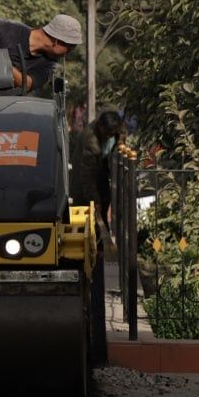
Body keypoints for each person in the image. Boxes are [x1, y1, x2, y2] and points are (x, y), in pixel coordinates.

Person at [71, 109, 125, 367]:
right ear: (103, 131)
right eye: (111, 135)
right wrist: (96, 207)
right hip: (84, 190)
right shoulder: (90, 142)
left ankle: (101, 249)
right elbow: (87, 178)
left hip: (101, 180)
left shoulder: (113, 134)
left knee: (101, 226)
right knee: (91, 230)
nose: (114, 137)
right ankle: (93, 258)